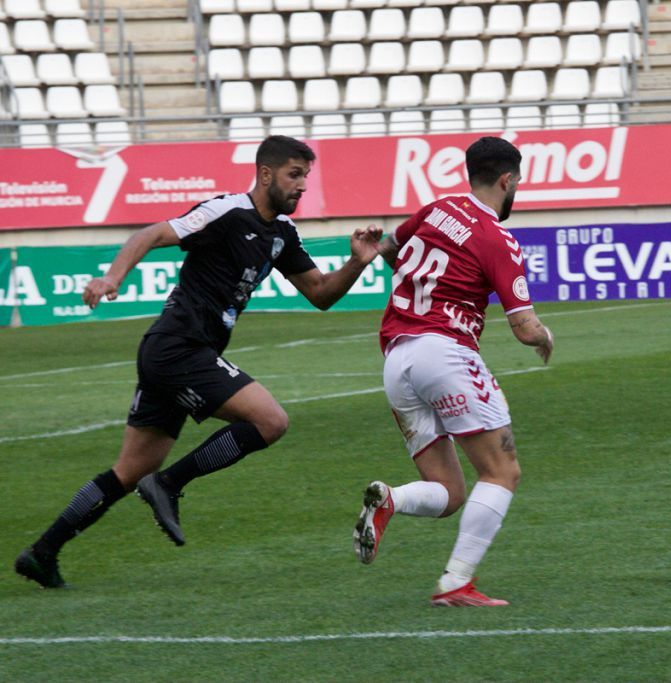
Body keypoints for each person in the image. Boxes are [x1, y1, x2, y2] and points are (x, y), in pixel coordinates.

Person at [14, 135, 383, 589]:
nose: (302, 185)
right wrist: (113, 276)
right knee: (271, 420)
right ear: (265, 174)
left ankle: (43, 552)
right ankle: (168, 485)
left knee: (128, 472)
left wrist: (358, 262)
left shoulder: (282, 235)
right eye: (294, 174)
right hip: (178, 347)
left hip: (179, 353)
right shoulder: (227, 212)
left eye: (306, 176)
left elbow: (321, 294)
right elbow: (151, 234)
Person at [351, 136, 553, 607]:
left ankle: (393, 500)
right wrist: (546, 337)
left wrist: (369, 249)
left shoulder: (435, 209)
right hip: (444, 352)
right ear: (507, 179)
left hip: (397, 360)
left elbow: (389, 247)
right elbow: (524, 328)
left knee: (449, 491)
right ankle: (456, 583)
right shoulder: (496, 237)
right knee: (502, 470)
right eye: (517, 181)